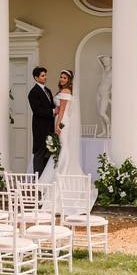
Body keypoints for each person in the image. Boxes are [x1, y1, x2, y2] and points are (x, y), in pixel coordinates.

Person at [39, 69, 97, 213]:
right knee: (62, 147)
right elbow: (59, 108)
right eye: (61, 77)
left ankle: (62, 171)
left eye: (65, 78)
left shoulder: (65, 92)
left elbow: (63, 109)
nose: (62, 79)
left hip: (62, 121)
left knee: (64, 147)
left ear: (69, 80)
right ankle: (60, 167)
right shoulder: (63, 91)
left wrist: (58, 125)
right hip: (60, 120)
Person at [27, 66, 54, 177]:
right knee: (39, 152)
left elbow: (51, 105)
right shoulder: (33, 92)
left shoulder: (48, 90)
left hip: (49, 126)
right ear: (36, 78)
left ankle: (45, 179)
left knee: (48, 152)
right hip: (40, 127)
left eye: (45, 75)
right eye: (42, 76)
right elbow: (37, 111)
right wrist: (53, 111)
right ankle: (37, 180)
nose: (45, 77)